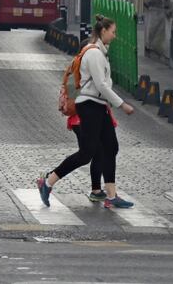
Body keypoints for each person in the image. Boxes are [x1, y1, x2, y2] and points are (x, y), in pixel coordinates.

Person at [37, 15, 136, 209]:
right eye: (113, 32)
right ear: (103, 31)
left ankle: (111, 196)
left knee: (111, 147)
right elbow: (100, 84)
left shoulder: (100, 52)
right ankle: (48, 182)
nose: (114, 36)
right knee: (87, 153)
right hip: (90, 105)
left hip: (98, 105)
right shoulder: (94, 54)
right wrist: (122, 104)